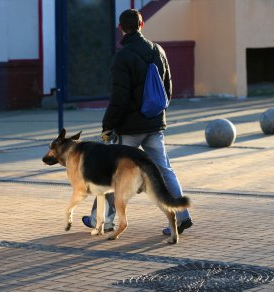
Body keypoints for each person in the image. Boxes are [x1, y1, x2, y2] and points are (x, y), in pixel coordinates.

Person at [82, 9, 192, 236]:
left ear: (122, 28)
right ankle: (182, 216)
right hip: (154, 124)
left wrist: (108, 125)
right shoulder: (157, 50)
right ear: (142, 25)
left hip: (130, 129)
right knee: (164, 170)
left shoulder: (123, 57)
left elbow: (119, 98)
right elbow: (167, 89)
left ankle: (100, 220)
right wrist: (155, 112)